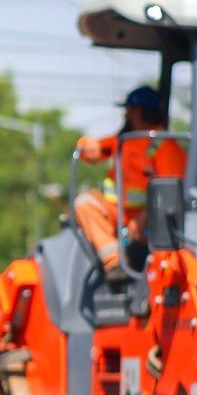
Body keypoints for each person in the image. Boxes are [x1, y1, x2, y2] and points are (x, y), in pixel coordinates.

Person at [72, 85, 186, 278]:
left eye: (128, 110)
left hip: (151, 222)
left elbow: (169, 194)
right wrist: (86, 145)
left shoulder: (165, 146)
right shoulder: (123, 140)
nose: (125, 114)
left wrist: (140, 221)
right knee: (84, 203)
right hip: (117, 215)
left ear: (137, 111)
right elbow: (93, 149)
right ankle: (114, 262)